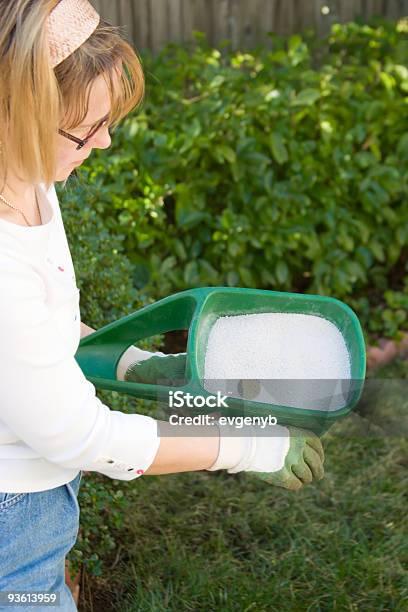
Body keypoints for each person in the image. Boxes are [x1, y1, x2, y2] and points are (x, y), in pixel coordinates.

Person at [0, 1, 325, 609]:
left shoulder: (32, 180)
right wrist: (250, 445)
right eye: (85, 128)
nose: (105, 142)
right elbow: (83, 437)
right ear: (16, 114)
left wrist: (131, 364)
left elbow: (37, 330)